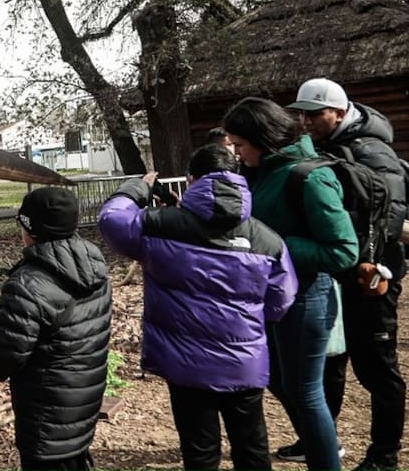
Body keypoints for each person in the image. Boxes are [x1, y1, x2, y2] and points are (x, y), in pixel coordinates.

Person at [98, 144, 297, 470]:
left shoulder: (159, 226)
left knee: (200, 451)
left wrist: (137, 188)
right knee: (252, 448)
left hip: (187, 366)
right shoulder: (268, 240)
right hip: (245, 363)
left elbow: (112, 219)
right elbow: (281, 299)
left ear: (191, 180)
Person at [223, 97, 358, 471]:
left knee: (306, 392)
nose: (236, 152)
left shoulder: (310, 177)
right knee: (279, 381)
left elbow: (343, 251)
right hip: (271, 296)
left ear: (263, 138)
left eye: (240, 144)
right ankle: (319, 446)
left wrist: (276, 246)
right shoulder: (260, 170)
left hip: (307, 298)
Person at [288, 78, 406, 470]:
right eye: (301, 113)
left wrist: (375, 265)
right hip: (335, 270)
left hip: (371, 275)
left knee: (377, 367)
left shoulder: (373, 153)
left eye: (314, 114)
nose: (305, 121)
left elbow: (389, 214)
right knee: (332, 359)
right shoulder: (326, 145)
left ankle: (384, 456)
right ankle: (320, 438)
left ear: (338, 112)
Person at [0, 186, 112, 471]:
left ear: (30, 229)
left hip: (46, 415)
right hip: (84, 400)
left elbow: (7, 356)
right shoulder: (94, 264)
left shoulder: (28, 284)